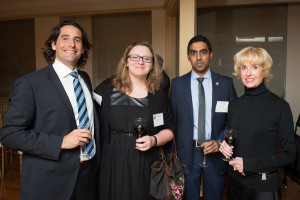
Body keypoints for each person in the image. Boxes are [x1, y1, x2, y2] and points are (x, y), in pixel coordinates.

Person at [0, 21, 100, 200]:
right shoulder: (30, 84)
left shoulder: (84, 79)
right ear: (53, 44)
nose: (71, 44)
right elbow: (9, 134)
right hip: (49, 182)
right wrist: (60, 141)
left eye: (78, 40)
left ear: (83, 48)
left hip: (87, 179)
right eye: (65, 38)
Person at [94, 41, 174, 200]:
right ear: (126, 62)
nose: (140, 62)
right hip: (112, 158)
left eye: (146, 58)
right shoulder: (107, 89)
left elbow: (170, 129)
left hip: (145, 160)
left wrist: (154, 139)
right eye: (135, 57)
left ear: (152, 65)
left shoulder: (158, 95)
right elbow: (93, 122)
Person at [219, 46, 296, 200]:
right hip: (235, 183)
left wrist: (249, 164)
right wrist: (225, 145)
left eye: (255, 67)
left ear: (264, 70)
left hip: (263, 187)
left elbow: (289, 155)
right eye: (244, 67)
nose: (248, 73)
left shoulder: (280, 107)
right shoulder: (234, 106)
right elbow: (239, 139)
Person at [169, 35, 237, 200]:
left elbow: (235, 121)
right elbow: (172, 123)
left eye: (203, 52)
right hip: (187, 154)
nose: (198, 57)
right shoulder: (177, 85)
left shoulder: (226, 84)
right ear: (188, 56)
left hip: (215, 152)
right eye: (194, 53)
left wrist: (220, 141)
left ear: (211, 54)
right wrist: (172, 157)